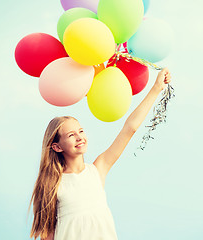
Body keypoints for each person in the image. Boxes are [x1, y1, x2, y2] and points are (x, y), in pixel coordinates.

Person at [29, 68, 172, 240]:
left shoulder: (98, 169)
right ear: (57, 147)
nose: (79, 137)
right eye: (71, 135)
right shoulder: (53, 183)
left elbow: (130, 128)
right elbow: (47, 235)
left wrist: (156, 88)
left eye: (80, 131)